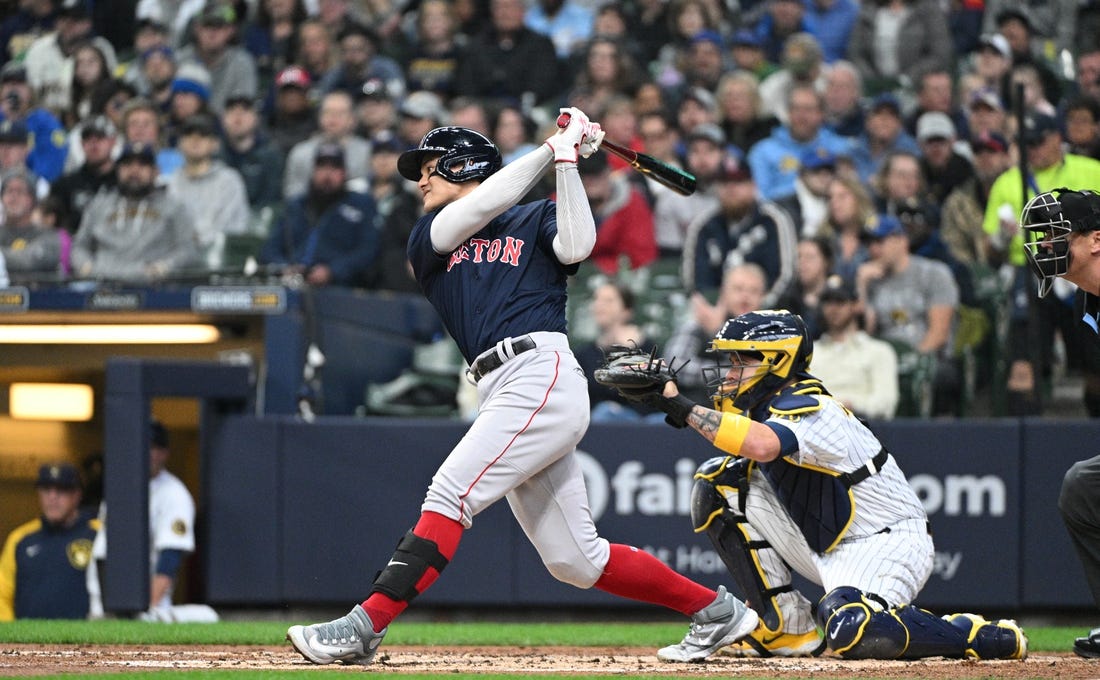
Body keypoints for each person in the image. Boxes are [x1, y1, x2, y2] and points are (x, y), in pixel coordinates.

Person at [285, 110, 760, 666]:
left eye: (433, 167)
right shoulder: (428, 235)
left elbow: (578, 245)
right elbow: (482, 203)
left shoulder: (534, 217)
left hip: (540, 369)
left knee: (451, 492)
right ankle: (717, 612)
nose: (421, 180)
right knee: (575, 560)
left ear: (465, 165)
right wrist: (550, 147)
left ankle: (365, 625)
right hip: (499, 383)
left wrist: (565, 162)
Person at [637, 308, 1027, 660]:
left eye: (743, 360)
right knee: (720, 482)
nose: (731, 371)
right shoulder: (767, 406)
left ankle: (970, 635)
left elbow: (763, 444)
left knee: (851, 630)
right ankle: (784, 627)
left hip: (886, 541)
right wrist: (676, 402)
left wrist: (679, 405)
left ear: (778, 361)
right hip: (826, 538)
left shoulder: (813, 407)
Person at [1021, 188, 1100, 658]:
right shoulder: (1085, 305)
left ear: (1096, 240)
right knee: (1083, 487)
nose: (1044, 247)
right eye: (1042, 238)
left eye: (1056, 236)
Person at [87, 420, 214, 622]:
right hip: (102, 604)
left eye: (153, 447)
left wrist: (148, 608)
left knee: (208, 617)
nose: (146, 453)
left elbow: (170, 558)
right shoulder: (120, 486)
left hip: (145, 607)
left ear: (164, 453)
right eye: (141, 446)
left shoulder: (174, 494)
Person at [70, 142, 202, 281]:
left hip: (154, 288)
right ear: (117, 170)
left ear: (156, 171)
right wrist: (86, 266)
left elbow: (188, 250)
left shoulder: (173, 207)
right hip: (101, 285)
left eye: (142, 165)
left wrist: (164, 267)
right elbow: (79, 246)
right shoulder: (98, 205)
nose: (134, 171)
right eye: (127, 165)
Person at [260, 142, 380, 288]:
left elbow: (368, 251)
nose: (327, 175)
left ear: (344, 173)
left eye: (334, 168)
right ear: (313, 171)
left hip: (339, 287)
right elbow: (270, 248)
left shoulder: (361, 205)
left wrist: (332, 271)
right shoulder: (297, 205)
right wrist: (284, 267)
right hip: (291, 283)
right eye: (322, 167)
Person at [0, 462, 99, 620]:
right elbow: (2, 596)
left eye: (62, 489)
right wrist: (9, 640)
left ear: (77, 494)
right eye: (46, 489)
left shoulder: (98, 534)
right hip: (27, 641)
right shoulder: (20, 538)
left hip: (88, 641)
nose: (52, 497)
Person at [665, 262, 768, 404]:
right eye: (738, 289)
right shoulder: (700, 323)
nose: (745, 297)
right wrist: (730, 374)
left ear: (763, 297)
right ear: (723, 292)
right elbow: (674, 366)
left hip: (749, 414)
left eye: (753, 291)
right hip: (696, 409)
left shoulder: (769, 333)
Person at [167, 112, 250, 270]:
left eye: (203, 135)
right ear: (179, 143)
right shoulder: (168, 183)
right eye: (189, 134)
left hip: (221, 263)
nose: (195, 140)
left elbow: (231, 228)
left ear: (215, 144)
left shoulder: (229, 180)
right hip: (176, 263)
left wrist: (194, 238)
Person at [811, 276, 899, 419]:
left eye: (840, 302)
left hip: (865, 426)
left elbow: (886, 404)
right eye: (828, 302)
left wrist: (851, 405)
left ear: (856, 305)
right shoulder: (810, 352)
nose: (833, 309)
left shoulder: (879, 351)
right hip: (818, 425)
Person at [0, 169, 64, 282]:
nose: (14, 197)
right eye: (9, 191)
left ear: (32, 199)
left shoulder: (48, 235)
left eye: (20, 191)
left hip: (41, 297)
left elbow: (31, 260)